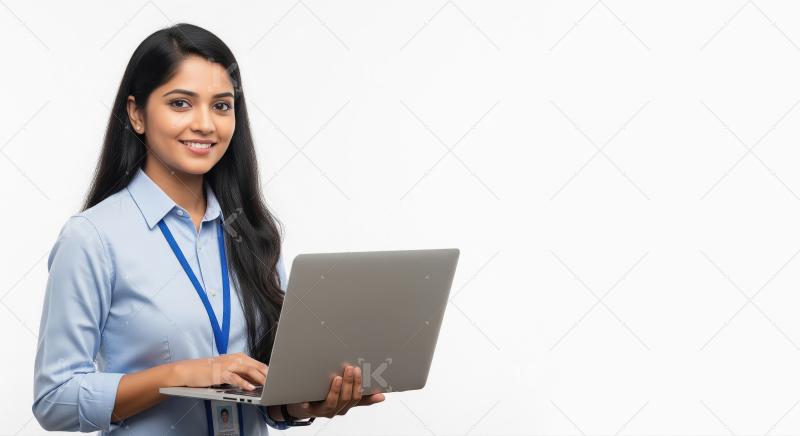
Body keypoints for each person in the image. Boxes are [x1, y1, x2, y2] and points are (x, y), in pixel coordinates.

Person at [31, 23, 384, 435]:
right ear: (136, 114)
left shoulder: (253, 230)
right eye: (181, 103)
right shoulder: (92, 238)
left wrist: (298, 404)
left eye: (221, 106)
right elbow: (53, 399)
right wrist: (180, 375)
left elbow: (263, 389)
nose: (206, 124)